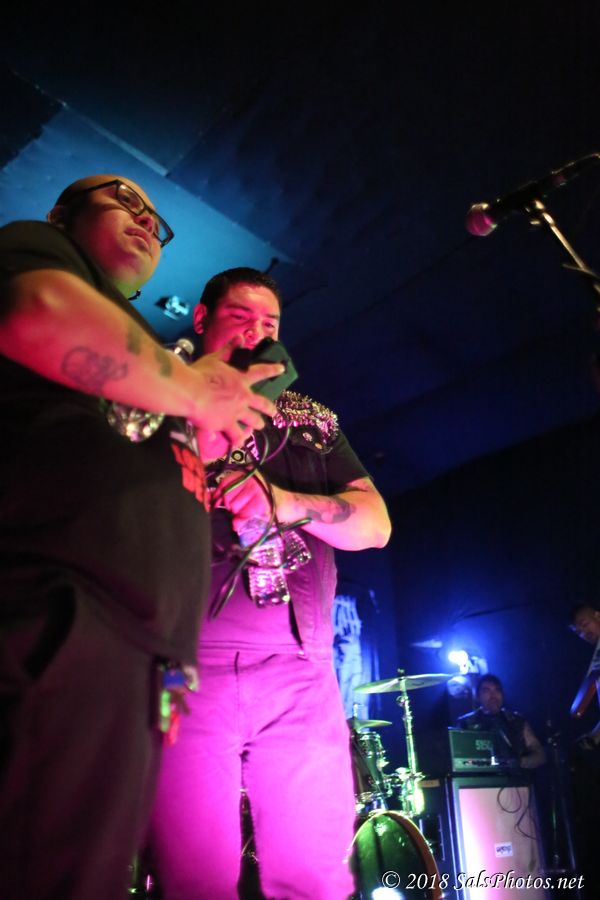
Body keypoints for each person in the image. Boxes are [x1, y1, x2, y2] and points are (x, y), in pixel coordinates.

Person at [0, 178, 282, 900]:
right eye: (121, 200)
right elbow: (39, 312)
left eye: (155, 219)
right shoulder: (38, 249)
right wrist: (193, 390)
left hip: (138, 656)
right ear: (62, 215)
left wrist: (205, 423)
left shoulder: (147, 364)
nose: (145, 220)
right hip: (57, 610)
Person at [149, 267, 392, 900]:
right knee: (193, 880)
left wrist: (285, 502)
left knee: (314, 879)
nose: (257, 333)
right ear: (201, 320)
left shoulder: (310, 420)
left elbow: (376, 525)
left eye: (270, 323)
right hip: (184, 667)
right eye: (240, 317)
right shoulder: (159, 396)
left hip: (300, 672)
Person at [457, 674, 545, 769]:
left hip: (516, 776)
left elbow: (540, 755)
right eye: (486, 690)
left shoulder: (517, 721)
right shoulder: (466, 723)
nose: (493, 695)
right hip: (481, 776)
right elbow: (460, 758)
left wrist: (518, 763)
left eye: (497, 690)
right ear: (478, 697)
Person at [569, 604, 600, 749]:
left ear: (598, 615)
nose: (584, 633)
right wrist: (594, 737)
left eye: (585, 625)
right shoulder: (596, 659)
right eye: (578, 632)